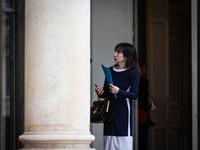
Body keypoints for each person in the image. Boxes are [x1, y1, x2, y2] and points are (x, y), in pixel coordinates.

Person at [95, 42, 139, 150]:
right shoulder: (109, 70)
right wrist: (101, 93)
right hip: (110, 115)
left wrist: (119, 91)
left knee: (123, 145)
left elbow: (134, 95)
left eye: (118, 52)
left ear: (127, 57)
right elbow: (107, 93)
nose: (115, 54)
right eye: (115, 51)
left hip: (123, 115)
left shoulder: (133, 72)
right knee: (109, 145)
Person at [138, 59, 154, 150]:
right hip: (142, 114)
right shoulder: (143, 81)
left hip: (135, 114)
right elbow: (144, 98)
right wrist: (149, 104)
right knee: (142, 142)